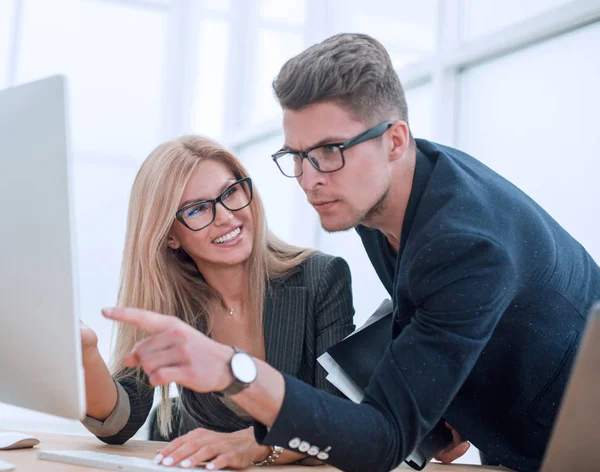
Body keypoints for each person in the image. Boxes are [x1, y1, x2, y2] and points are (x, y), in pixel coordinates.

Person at [102, 33, 600, 472]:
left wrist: (236, 371)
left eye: (328, 153)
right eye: (296, 157)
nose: (310, 179)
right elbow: (427, 325)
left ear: (395, 141)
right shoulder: (375, 199)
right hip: (515, 433)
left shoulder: (465, 244)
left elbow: (382, 441)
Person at [80, 136, 355, 469]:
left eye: (230, 193)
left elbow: (339, 419)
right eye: (197, 209)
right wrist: (87, 354)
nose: (226, 217)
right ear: (169, 235)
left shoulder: (321, 277)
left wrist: (255, 446)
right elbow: (121, 422)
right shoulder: (172, 302)